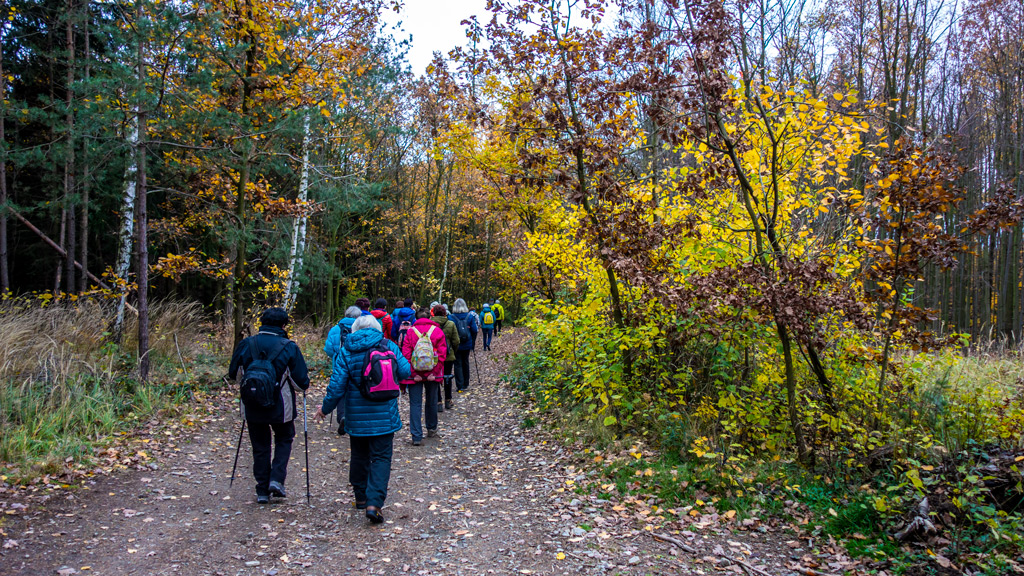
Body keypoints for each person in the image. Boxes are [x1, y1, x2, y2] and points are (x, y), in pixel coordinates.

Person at [313, 315, 411, 523]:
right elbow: (405, 371)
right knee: (381, 458)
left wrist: (325, 408)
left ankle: (360, 497)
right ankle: (374, 503)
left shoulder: (346, 350)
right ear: (376, 329)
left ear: (355, 329)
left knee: (359, 455)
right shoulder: (388, 345)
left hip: (356, 417)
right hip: (385, 415)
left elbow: (337, 386)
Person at [228, 308, 310, 504]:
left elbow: (234, 375)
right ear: (284, 325)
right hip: (281, 405)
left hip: (252, 403)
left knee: (260, 445)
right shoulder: (289, 346)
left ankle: (262, 490)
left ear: (262, 323)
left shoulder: (247, 343)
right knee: (284, 438)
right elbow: (301, 384)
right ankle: (276, 479)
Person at [400, 306, 447, 445]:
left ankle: (416, 435)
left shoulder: (410, 332)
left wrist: (413, 373)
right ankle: (431, 428)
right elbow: (442, 355)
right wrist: (434, 372)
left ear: (416, 318)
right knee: (431, 401)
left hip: (415, 374)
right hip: (433, 373)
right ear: (429, 317)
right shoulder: (437, 331)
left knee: (415, 404)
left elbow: (406, 354)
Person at [430, 304, 460, 411]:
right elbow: (456, 341)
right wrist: (452, 351)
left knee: (436, 377)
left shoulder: (431, 324)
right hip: (447, 355)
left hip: (434, 356)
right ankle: (448, 400)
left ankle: (438, 402)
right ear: (444, 313)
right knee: (447, 377)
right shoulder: (450, 324)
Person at [450, 298, 478, 392]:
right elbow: (474, 330)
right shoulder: (469, 316)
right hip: (467, 343)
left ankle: (460, 385)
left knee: (457, 363)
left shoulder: (451, 317)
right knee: (465, 362)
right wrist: (472, 342)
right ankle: (466, 383)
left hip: (456, 344)